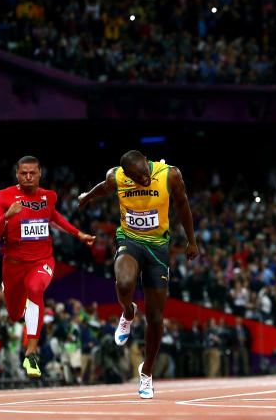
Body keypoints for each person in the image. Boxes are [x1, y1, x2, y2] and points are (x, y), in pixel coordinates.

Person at [78, 150, 199, 398]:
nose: (143, 179)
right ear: (127, 174)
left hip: (158, 248)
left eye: (145, 173)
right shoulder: (117, 177)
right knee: (123, 283)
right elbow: (104, 187)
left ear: (147, 162)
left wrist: (191, 240)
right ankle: (128, 312)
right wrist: (87, 197)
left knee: (155, 317)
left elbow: (182, 204)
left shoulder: (169, 175)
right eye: (137, 177)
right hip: (130, 239)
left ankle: (147, 373)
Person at [0, 155, 95, 378]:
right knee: (15, 315)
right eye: (23, 173)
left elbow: (53, 218)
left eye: (32, 173)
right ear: (17, 174)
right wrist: (6, 217)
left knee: (35, 289)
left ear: (40, 173)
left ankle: (31, 353)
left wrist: (77, 233)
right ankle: (15, 292)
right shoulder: (3, 197)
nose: (28, 177)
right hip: (13, 265)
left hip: (41, 261)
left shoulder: (48, 196)